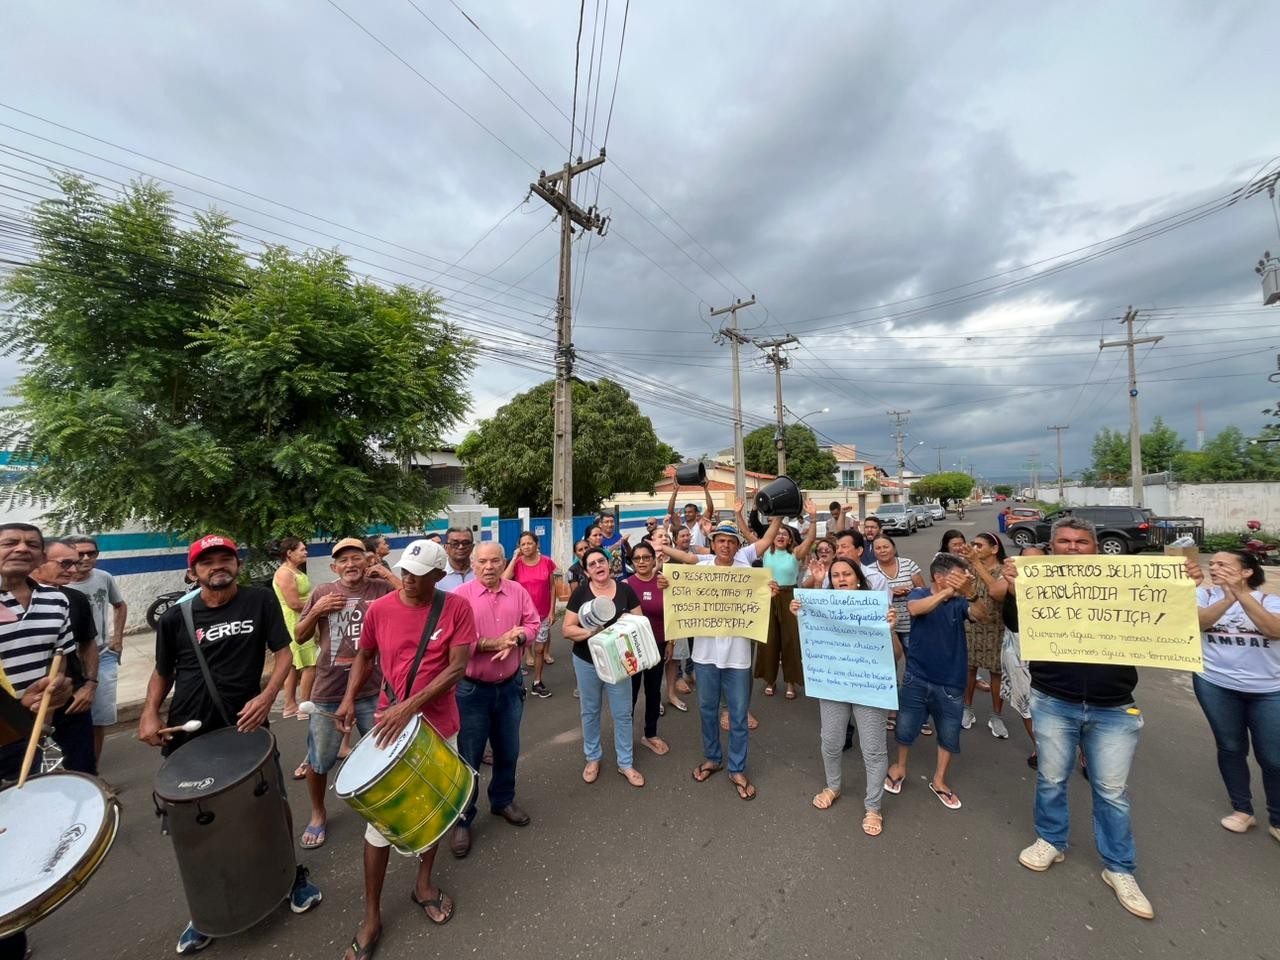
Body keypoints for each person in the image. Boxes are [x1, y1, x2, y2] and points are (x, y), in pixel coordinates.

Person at [138, 534, 322, 955]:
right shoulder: (175, 618)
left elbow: (282, 652)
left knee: (271, 801)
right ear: (193, 571)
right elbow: (163, 672)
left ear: (237, 565)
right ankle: (207, 907)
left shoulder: (258, 601)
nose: (217, 566)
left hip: (247, 726)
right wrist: (150, 713)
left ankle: (289, 874)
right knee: (197, 822)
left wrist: (267, 696)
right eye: (207, 561)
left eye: (226, 558)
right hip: (190, 733)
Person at [1003, 516, 1154, 920]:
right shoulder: (1039, 584)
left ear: (1096, 546)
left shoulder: (1123, 583)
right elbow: (1017, 626)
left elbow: (1163, 614)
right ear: (1051, 548)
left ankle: (1119, 868)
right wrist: (1017, 592)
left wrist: (1183, 581)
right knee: (1051, 778)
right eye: (1064, 542)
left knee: (1111, 791)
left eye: (1081, 542)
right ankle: (1050, 840)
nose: (1072, 548)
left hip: (1114, 704)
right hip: (1054, 699)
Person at [335, 538, 473, 957]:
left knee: (431, 811)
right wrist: (347, 697)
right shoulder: (381, 609)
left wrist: (410, 706)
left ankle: (423, 884)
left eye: (419, 575)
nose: (409, 581)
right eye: (406, 572)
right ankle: (372, 915)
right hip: (389, 726)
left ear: (437, 576)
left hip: (438, 725)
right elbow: (364, 656)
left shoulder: (456, 608)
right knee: (379, 824)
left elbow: (457, 667)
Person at [659, 517, 782, 801]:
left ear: (738, 546)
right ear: (712, 544)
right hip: (704, 657)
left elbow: (760, 586)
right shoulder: (699, 569)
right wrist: (666, 582)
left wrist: (769, 591)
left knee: (738, 715)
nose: (725, 545)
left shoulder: (747, 569)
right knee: (707, 711)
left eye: (730, 541)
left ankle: (737, 767)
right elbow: (678, 584)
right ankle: (713, 757)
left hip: (738, 659)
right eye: (720, 540)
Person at [0, 523, 74, 960]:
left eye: (32, 544)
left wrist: (61, 686)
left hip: (28, 738)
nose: (22, 549)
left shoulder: (55, 600)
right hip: (6, 724)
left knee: (15, 841)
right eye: (10, 542)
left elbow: (60, 660)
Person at [292, 537, 393, 849]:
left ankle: (382, 808)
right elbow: (299, 635)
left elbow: (415, 597)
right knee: (320, 760)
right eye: (343, 560)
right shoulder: (323, 592)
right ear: (334, 566)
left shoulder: (381, 589)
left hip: (373, 688)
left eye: (357, 558)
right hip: (328, 690)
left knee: (382, 754)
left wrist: (388, 575)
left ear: (367, 561)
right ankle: (319, 812)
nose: (351, 564)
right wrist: (317, 610)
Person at [791, 557, 899, 835]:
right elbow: (810, 640)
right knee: (831, 740)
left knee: (873, 749)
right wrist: (800, 613)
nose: (841, 579)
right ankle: (833, 786)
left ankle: (873, 806)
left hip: (868, 688)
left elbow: (896, 655)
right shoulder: (822, 605)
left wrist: (891, 629)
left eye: (847, 574)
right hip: (833, 685)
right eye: (836, 575)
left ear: (858, 578)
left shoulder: (877, 606)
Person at [451, 543, 540, 858]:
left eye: (495, 561)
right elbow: (453, 642)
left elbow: (533, 625)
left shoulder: (517, 591)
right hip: (472, 690)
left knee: (508, 749)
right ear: (473, 564)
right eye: (483, 561)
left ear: (505, 562)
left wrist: (517, 639)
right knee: (469, 757)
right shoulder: (460, 597)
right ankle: (463, 817)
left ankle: (502, 800)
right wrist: (491, 644)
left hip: (510, 686)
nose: (489, 567)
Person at [1187, 550, 1280, 842]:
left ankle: (1277, 818)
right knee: (1229, 747)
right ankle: (1242, 810)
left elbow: (1273, 629)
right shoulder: (1205, 596)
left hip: (1269, 690)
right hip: (1215, 684)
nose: (1214, 567)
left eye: (1223, 564)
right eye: (1211, 563)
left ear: (1247, 572)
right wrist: (1228, 599)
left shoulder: (1271, 600)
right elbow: (1197, 623)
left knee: (1273, 757)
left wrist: (1241, 595)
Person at [884, 553, 984, 812]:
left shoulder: (961, 602)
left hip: (952, 680)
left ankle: (939, 779)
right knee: (905, 727)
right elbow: (916, 609)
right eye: (958, 574)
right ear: (939, 577)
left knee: (949, 732)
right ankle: (900, 766)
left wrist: (970, 593)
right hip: (917, 675)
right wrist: (947, 592)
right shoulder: (918, 594)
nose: (963, 579)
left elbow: (981, 614)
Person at [563, 546, 645, 786]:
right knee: (590, 710)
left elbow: (640, 623)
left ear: (610, 565)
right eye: (592, 564)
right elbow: (567, 629)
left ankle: (626, 763)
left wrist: (623, 628)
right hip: (587, 661)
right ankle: (593, 758)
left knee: (622, 713)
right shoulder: (581, 595)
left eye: (602, 561)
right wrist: (593, 632)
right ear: (587, 571)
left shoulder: (626, 590)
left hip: (619, 662)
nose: (598, 566)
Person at [34, 538, 99, 775]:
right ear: (38, 562)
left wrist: (90, 685)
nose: (73, 570)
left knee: (81, 770)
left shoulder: (75, 599)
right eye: (65, 564)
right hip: (25, 707)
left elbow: (88, 643)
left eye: (74, 563)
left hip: (71, 700)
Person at [65, 534, 126, 766]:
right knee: (68, 716)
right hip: (68, 660)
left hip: (102, 656)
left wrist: (118, 639)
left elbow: (119, 605)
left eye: (92, 553)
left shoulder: (104, 578)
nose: (87, 557)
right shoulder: (58, 583)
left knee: (98, 718)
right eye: (80, 553)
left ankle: (93, 772)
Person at [756, 499, 818, 700]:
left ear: (790, 539)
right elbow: (748, 534)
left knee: (791, 641)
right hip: (769, 596)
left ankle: (791, 682)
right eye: (778, 534)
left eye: (785, 534)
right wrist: (739, 514)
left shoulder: (795, 554)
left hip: (790, 597)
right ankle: (770, 680)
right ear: (772, 537)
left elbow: (810, 540)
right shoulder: (765, 551)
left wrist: (814, 519)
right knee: (769, 641)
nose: (781, 536)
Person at [1000, 544, 1044, 768]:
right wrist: (1011, 585)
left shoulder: (1062, 586)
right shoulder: (1011, 585)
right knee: (1027, 704)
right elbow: (1013, 621)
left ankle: (1084, 754)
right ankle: (1040, 747)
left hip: (1054, 652)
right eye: (1024, 560)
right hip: (1020, 653)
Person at [962, 532, 1009, 738]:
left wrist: (977, 564)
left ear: (994, 549)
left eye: (979, 545)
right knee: (969, 668)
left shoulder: (1004, 571)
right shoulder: (969, 568)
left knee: (997, 672)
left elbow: (996, 591)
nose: (975, 548)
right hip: (972, 626)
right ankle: (967, 709)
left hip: (998, 627)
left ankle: (997, 716)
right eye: (973, 544)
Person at [626, 540, 671, 755]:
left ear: (654, 559)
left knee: (653, 691)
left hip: (658, 645)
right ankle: (625, 739)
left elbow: (673, 614)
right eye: (637, 558)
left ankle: (650, 734)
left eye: (646, 557)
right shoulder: (625, 586)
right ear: (632, 561)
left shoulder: (665, 582)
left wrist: (671, 641)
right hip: (632, 649)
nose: (642, 562)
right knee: (630, 694)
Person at [504, 531, 558, 695]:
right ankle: (518, 685)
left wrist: (552, 611)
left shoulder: (547, 562)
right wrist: (514, 558)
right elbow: (504, 580)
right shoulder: (517, 564)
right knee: (517, 649)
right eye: (523, 544)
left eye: (529, 543)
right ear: (519, 547)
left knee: (540, 650)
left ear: (537, 544)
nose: (526, 546)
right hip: (521, 615)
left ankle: (537, 682)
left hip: (541, 614)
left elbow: (552, 586)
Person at [274, 538, 315, 743]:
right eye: (301, 549)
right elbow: (293, 603)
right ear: (289, 553)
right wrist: (316, 609)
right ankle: (304, 705)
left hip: (303, 618)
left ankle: (290, 705)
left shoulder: (296, 571)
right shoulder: (284, 573)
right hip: (296, 621)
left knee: (292, 665)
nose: (305, 552)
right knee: (310, 664)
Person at [666, 477, 715, 549]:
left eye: (690, 512)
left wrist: (705, 489)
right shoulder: (681, 526)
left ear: (696, 513)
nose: (687, 514)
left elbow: (710, 509)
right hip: (684, 557)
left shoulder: (700, 525)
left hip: (699, 558)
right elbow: (670, 511)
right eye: (685, 512)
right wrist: (675, 491)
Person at [439, 527, 477, 591]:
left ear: (472, 547)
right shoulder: (438, 575)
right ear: (445, 547)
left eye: (465, 543)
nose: (461, 547)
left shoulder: (480, 571)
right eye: (455, 543)